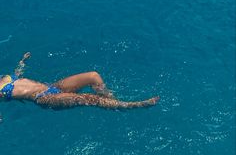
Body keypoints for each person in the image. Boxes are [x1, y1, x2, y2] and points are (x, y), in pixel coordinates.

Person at [0, 53, 159, 110]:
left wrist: (22, 62)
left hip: (52, 87)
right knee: (88, 98)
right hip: (45, 98)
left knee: (93, 76)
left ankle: (112, 102)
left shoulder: (4, 78)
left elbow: (17, 76)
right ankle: (131, 105)